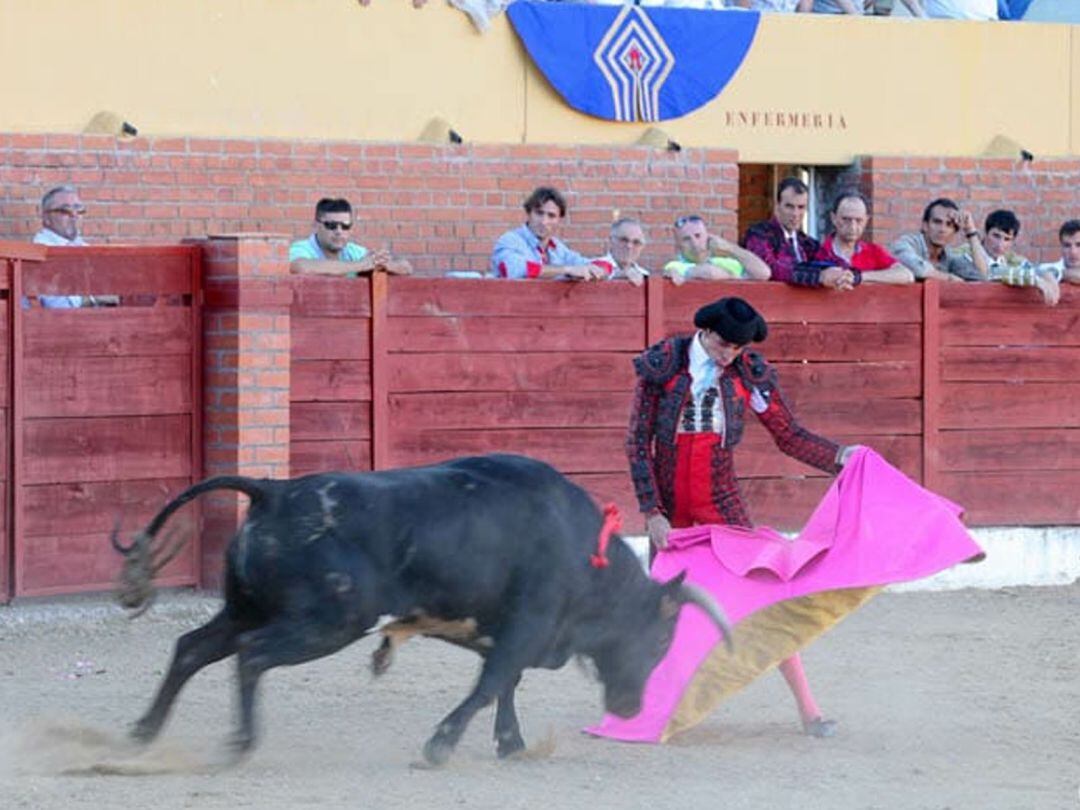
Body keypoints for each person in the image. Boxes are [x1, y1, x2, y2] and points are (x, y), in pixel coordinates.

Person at [625, 296, 856, 738]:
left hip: (721, 501)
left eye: (737, 348)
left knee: (764, 601)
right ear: (706, 332)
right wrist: (652, 511)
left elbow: (789, 435)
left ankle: (809, 711)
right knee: (658, 612)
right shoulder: (663, 364)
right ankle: (642, 711)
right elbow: (637, 443)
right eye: (724, 345)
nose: (729, 355)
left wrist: (840, 457)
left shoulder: (748, 373)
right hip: (671, 508)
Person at [741, 177, 855, 290]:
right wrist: (819, 277)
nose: (795, 214)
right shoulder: (759, 234)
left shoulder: (806, 242)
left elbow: (834, 260)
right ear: (777, 207)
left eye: (801, 207)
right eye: (789, 206)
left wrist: (846, 274)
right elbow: (771, 270)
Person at [490, 186, 608, 280]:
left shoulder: (557, 248)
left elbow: (596, 264)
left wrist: (599, 270)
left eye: (551, 216)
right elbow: (514, 270)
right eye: (539, 213)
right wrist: (566, 270)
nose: (544, 221)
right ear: (529, 213)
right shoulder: (510, 240)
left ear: (559, 220)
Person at [954, 209, 1060, 305]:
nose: (1000, 244)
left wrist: (1047, 275)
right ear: (985, 233)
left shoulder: (1011, 259)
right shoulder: (964, 253)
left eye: (1007, 239)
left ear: (1012, 242)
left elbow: (1038, 269)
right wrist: (1035, 280)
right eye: (996, 236)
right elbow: (989, 273)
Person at [289, 198, 412, 276]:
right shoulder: (302, 248)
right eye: (331, 225)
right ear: (316, 225)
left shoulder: (352, 251)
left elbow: (406, 267)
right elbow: (300, 267)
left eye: (345, 226)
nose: (339, 231)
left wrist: (381, 264)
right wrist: (360, 265)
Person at [813, 191, 915, 284]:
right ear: (834, 218)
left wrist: (860, 277)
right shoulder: (816, 251)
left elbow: (907, 275)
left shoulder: (874, 251)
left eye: (858, 220)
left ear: (866, 220)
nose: (853, 227)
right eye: (846, 219)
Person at [889, 198, 987, 282]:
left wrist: (971, 232)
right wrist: (950, 278)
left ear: (954, 232)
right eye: (937, 222)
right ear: (925, 226)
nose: (942, 229)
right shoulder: (907, 243)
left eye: (949, 225)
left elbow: (981, 275)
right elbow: (918, 268)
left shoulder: (949, 257)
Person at [664, 215, 771, 284]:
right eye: (686, 239)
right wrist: (734, 277)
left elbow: (764, 273)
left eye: (698, 236)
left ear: (708, 237)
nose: (694, 244)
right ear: (677, 245)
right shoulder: (675, 266)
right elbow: (709, 273)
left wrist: (729, 248)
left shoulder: (728, 262)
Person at [31, 185, 89, 308]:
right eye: (65, 211)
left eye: (79, 210)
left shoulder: (85, 247)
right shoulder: (39, 252)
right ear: (46, 217)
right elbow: (58, 307)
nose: (74, 215)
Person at [591, 218, 649, 287]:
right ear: (611, 241)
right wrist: (617, 276)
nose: (629, 246)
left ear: (642, 247)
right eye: (624, 240)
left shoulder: (645, 275)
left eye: (636, 242)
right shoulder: (593, 267)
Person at [1041, 219, 1080, 286]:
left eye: (1079, 245)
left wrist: (1063, 274)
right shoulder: (1047, 269)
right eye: (1067, 246)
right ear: (1061, 247)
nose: (1073, 252)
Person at [811, 0, 927, 14]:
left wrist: (924, 19)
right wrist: (858, 16)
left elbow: (910, 2)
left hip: (854, 17)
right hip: (829, 16)